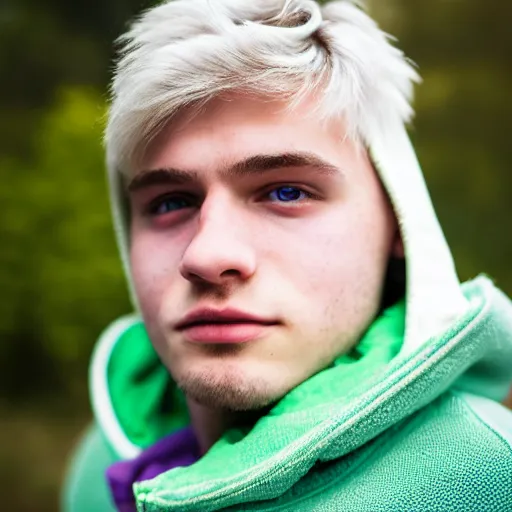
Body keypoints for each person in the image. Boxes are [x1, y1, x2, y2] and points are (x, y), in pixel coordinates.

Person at [62, 1, 512, 510]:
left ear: (400, 221)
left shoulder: (490, 476)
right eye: (171, 202)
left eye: (286, 192)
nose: (207, 255)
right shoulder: (100, 469)